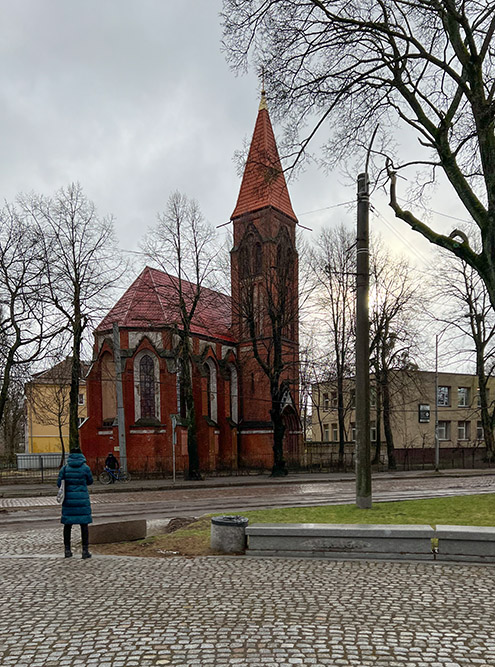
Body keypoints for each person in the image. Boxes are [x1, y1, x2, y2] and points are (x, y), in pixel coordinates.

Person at [57, 446, 93, 559]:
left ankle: (67, 550)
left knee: (67, 525)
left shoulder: (65, 468)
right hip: (82, 499)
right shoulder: (85, 468)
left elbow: (59, 483)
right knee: (84, 525)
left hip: (68, 500)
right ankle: (85, 551)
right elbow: (90, 481)